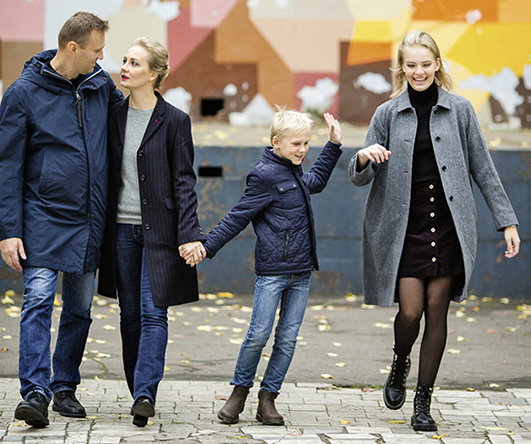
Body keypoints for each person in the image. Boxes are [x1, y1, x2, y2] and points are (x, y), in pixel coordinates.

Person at [349, 30, 520, 432]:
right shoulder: (387, 113)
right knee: (409, 312)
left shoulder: (460, 110)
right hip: (404, 227)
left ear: (437, 64)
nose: (419, 71)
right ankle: (400, 362)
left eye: (426, 64)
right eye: (411, 65)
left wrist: (507, 220)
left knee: (436, 311)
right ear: (401, 68)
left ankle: (423, 400)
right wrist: (362, 157)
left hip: (447, 226)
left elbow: (483, 167)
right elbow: (360, 178)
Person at [0, 12, 122, 428]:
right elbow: (7, 166)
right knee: (37, 300)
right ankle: (35, 390)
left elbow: (135, 120)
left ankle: (64, 387)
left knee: (79, 308)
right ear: (74, 48)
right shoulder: (22, 93)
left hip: (89, 217)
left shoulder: (100, 86)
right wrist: (8, 231)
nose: (102, 58)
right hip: (40, 215)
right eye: (97, 50)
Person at [189, 108, 342, 425]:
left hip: (300, 273)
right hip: (273, 272)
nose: (302, 150)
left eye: (306, 144)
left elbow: (316, 182)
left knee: (287, 339)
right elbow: (238, 216)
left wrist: (333, 146)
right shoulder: (264, 175)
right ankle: (239, 393)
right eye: (296, 144)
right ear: (276, 142)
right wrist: (207, 244)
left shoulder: (296, 170)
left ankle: (267, 399)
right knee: (258, 335)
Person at [97, 37, 206, 428]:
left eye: (135, 63)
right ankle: (138, 388)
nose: (124, 67)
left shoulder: (175, 120)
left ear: (155, 74)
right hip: (121, 232)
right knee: (129, 317)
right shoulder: (113, 115)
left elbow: (184, 182)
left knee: (152, 313)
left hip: (160, 233)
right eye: (124, 60)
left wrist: (189, 233)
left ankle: (145, 393)